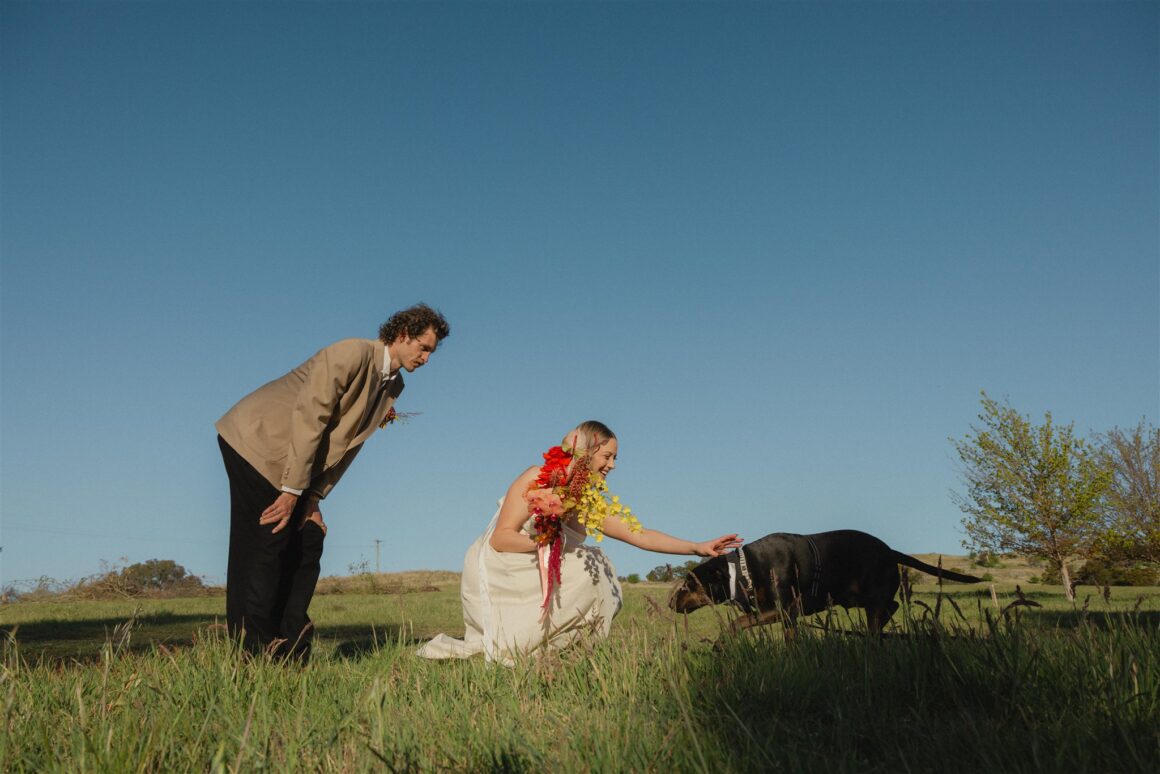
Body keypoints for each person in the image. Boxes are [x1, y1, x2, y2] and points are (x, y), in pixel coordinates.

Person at [216, 303, 450, 660]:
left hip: (295, 464)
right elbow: (311, 417)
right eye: (424, 348)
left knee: (308, 539)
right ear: (404, 334)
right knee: (269, 541)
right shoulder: (350, 353)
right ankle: (252, 652)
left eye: (431, 352)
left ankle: (291, 648)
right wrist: (291, 491)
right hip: (257, 442)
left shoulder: (393, 384)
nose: (427, 358)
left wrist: (313, 498)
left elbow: (349, 444)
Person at [418, 420, 740, 665]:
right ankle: (520, 644)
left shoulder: (588, 500)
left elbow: (639, 534)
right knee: (587, 566)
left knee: (599, 565)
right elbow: (501, 538)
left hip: (540, 563)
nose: (613, 465)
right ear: (586, 451)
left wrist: (697, 547)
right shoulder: (537, 477)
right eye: (607, 456)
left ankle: (565, 653)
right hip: (500, 566)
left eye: (615, 458)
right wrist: (545, 546)